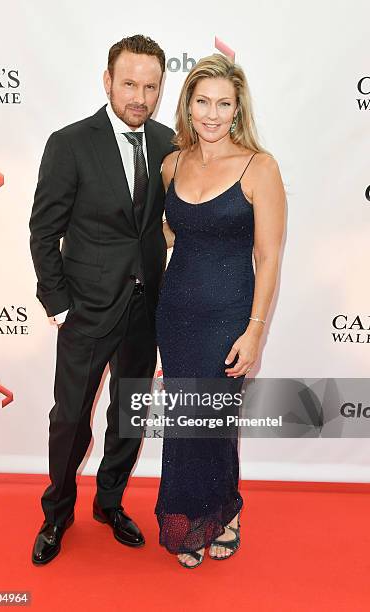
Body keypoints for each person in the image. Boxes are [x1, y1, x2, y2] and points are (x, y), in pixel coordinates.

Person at [29, 34, 175, 565]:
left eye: (151, 86)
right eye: (130, 83)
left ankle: (109, 502)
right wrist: (59, 302)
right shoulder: (69, 143)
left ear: (161, 88)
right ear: (107, 80)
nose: (139, 96)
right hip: (86, 308)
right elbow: (43, 230)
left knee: (130, 413)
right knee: (70, 418)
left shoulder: (167, 142)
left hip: (145, 309)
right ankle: (57, 512)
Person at [155, 53, 285, 568]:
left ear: (237, 109)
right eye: (202, 101)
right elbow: (169, 231)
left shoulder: (260, 166)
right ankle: (187, 519)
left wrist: (255, 332)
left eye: (223, 103)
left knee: (215, 422)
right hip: (176, 311)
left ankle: (224, 513)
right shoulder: (172, 163)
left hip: (230, 316)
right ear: (188, 106)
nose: (212, 113)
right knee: (184, 420)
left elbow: (269, 256)